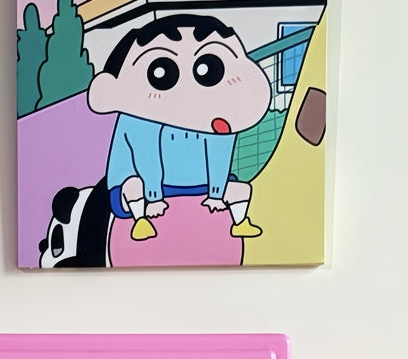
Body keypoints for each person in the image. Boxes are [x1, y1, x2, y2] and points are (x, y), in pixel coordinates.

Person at [87, 14, 271, 240]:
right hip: (145, 184)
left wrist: (216, 193)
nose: (187, 89)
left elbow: (219, 152)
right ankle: (141, 221)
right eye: (160, 73)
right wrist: (154, 196)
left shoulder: (220, 112)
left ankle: (240, 223)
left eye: (209, 68)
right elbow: (146, 154)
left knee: (241, 190)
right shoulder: (138, 114)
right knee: (133, 187)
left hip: (197, 184)